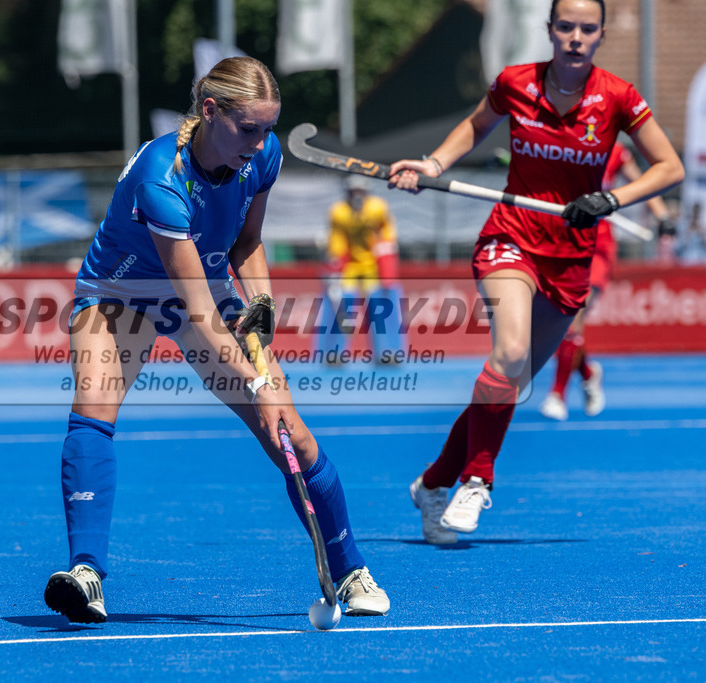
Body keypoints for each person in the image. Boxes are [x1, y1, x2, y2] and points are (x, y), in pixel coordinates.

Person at [42, 56, 389, 623]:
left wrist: (262, 316)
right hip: (120, 292)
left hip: (204, 281)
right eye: (248, 129)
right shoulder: (163, 179)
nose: (259, 142)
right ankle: (86, 573)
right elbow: (199, 310)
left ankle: (349, 569)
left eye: (268, 129)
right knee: (93, 410)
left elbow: (247, 244)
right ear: (210, 111)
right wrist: (259, 378)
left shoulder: (262, 155)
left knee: (290, 434)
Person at [388, 0, 684, 544]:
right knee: (509, 353)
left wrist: (612, 200)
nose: (575, 37)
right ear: (550, 30)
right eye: (565, 26)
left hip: (572, 255)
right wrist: (431, 165)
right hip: (511, 238)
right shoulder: (515, 83)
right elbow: (474, 127)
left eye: (587, 29)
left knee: (509, 385)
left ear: (598, 36)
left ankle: (432, 485)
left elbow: (671, 167)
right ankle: (477, 480)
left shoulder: (619, 97)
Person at [539, 142, 675, 421]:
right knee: (558, 323)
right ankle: (589, 373)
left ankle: (557, 395)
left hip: (597, 248)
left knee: (573, 315)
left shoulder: (613, 152)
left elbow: (643, 181)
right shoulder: (553, 142)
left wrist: (662, 215)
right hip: (556, 244)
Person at [315, 175, 404, 363]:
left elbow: (387, 240)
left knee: (382, 305)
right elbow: (337, 244)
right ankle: (333, 353)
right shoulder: (339, 212)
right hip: (351, 267)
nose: (357, 196)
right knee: (340, 303)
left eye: (360, 192)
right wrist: (333, 270)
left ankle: (389, 352)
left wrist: (387, 272)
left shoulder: (378, 208)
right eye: (352, 192)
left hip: (373, 267)